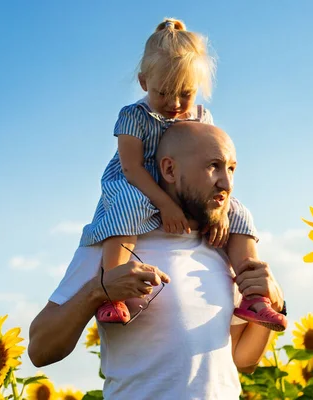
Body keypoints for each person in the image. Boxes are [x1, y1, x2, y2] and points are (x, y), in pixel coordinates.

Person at [28, 122, 286, 399]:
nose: (227, 182)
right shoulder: (117, 242)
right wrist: (99, 291)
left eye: (232, 168)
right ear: (170, 170)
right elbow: (40, 350)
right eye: (214, 166)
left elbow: (242, 360)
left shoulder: (224, 249)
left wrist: (277, 303)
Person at [81, 17, 286, 330]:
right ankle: (113, 287)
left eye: (186, 94)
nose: (175, 104)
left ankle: (253, 297)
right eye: (164, 93)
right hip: (136, 184)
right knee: (129, 204)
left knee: (238, 212)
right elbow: (131, 168)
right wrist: (166, 204)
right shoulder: (134, 116)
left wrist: (217, 215)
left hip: (185, 188)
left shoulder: (201, 117)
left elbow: (208, 161)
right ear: (143, 82)